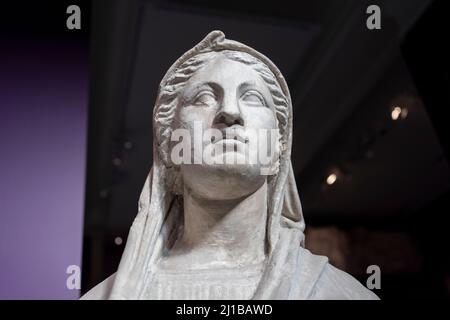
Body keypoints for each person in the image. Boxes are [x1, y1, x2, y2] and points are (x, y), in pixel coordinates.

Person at [81, 31, 379, 300]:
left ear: (278, 149)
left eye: (252, 97)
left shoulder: (340, 295)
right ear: (170, 149)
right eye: (204, 97)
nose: (230, 112)